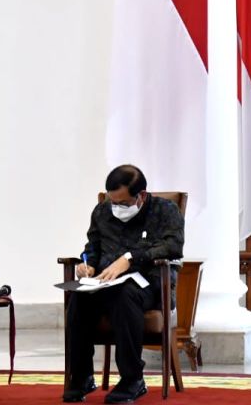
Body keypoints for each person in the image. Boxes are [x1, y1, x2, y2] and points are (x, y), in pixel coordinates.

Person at [64, 165, 184, 404]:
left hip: (149, 283)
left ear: (141, 195)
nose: (117, 208)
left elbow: (173, 246)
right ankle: (81, 376)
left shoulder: (165, 211)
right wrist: (87, 264)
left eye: (123, 203)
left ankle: (132, 379)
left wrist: (130, 259)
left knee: (125, 295)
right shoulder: (102, 211)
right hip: (106, 282)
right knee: (78, 296)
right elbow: (93, 246)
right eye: (112, 202)